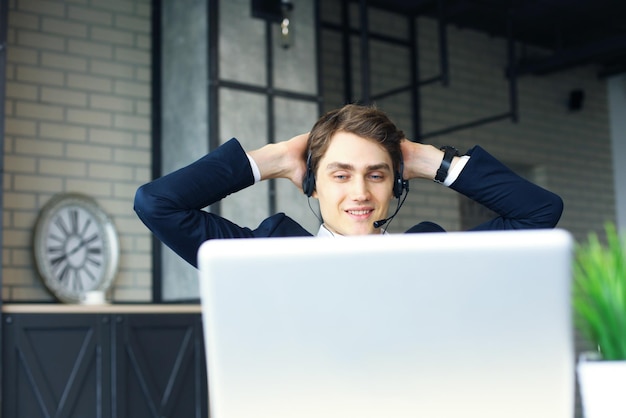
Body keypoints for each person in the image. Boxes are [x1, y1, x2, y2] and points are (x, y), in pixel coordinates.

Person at [134, 104, 563, 267]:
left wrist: (427, 159)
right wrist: (276, 158)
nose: (360, 192)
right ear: (312, 185)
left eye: (376, 174)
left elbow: (539, 212)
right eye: (340, 175)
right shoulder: (265, 253)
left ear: (395, 183)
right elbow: (157, 204)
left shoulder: (432, 255)